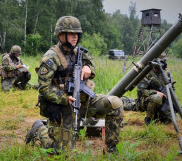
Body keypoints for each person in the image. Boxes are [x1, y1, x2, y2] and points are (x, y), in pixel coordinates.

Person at [25, 16, 124, 154]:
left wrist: (88, 69)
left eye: (77, 34)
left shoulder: (79, 52)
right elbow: (44, 88)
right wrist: (65, 98)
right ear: (61, 35)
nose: (75, 37)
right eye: (71, 33)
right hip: (64, 106)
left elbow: (91, 65)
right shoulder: (51, 57)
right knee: (60, 151)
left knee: (115, 103)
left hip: (85, 101)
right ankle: (39, 129)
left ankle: (110, 149)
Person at [122, 54, 172, 125]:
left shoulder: (166, 75)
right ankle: (149, 119)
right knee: (157, 98)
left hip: (163, 100)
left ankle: (158, 115)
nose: (164, 63)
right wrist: (155, 92)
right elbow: (140, 91)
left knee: (168, 120)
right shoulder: (146, 73)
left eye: (164, 61)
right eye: (162, 61)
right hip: (146, 100)